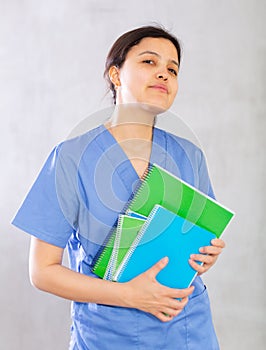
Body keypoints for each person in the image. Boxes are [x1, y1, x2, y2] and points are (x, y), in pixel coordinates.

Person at [12, 25, 225, 349]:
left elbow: (192, 248)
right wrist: (130, 295)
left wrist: (205, 256)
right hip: (108, 333)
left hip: (187, 329)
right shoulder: (72, 158)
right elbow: (42, 271)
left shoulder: (188, 155)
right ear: (115, 74)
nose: (164, 74)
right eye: (149, 62)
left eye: (173, 68)